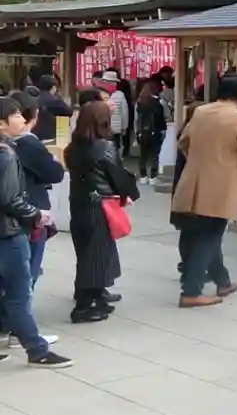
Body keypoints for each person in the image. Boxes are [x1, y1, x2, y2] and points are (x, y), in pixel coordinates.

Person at [171, 73, 237, 308]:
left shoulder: (201, 112)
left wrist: (198, 160)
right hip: (222, 184)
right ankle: (191, 291)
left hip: (193, 180)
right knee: (209, 236)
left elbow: (183, 141)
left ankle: (223, 281)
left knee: (204, 234)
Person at [0, 96, 71, 367]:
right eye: (16, 115)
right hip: (9, 232)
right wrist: (37, 214)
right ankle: (36, 349)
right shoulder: (6, 154)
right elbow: (10, 199)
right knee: (19, 294)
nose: (22, 119)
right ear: (2, 124)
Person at [64, 100, 139, 324]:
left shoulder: (72, 148)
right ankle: (84, 307)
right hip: (100, 206)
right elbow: (118, 175)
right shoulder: (104, 147)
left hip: (79, 204)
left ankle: (95, 297)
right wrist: (128, 194)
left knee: (87, 253)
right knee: (96, 256)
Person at [135, 77, 168, 181]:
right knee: (154, 154)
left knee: (143, 154)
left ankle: (143, 176)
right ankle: (153, 177)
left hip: (143, 132)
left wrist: (137, 131)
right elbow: (165, 116)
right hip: (156, 131)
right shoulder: (159, 102)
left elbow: (136, 119)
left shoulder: (139, 103)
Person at [33, 75, 71, 143]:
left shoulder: (32, 97)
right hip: (47, 136)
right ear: (53, 87)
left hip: (32, 134)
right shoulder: (53, 100)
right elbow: (69, 112)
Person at [101, 69, 129, 154]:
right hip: (115, 129)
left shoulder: (99, 94)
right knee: (115, 149)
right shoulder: (120, 95)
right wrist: (124, 127)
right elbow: (124, 113)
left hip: (102, 129)